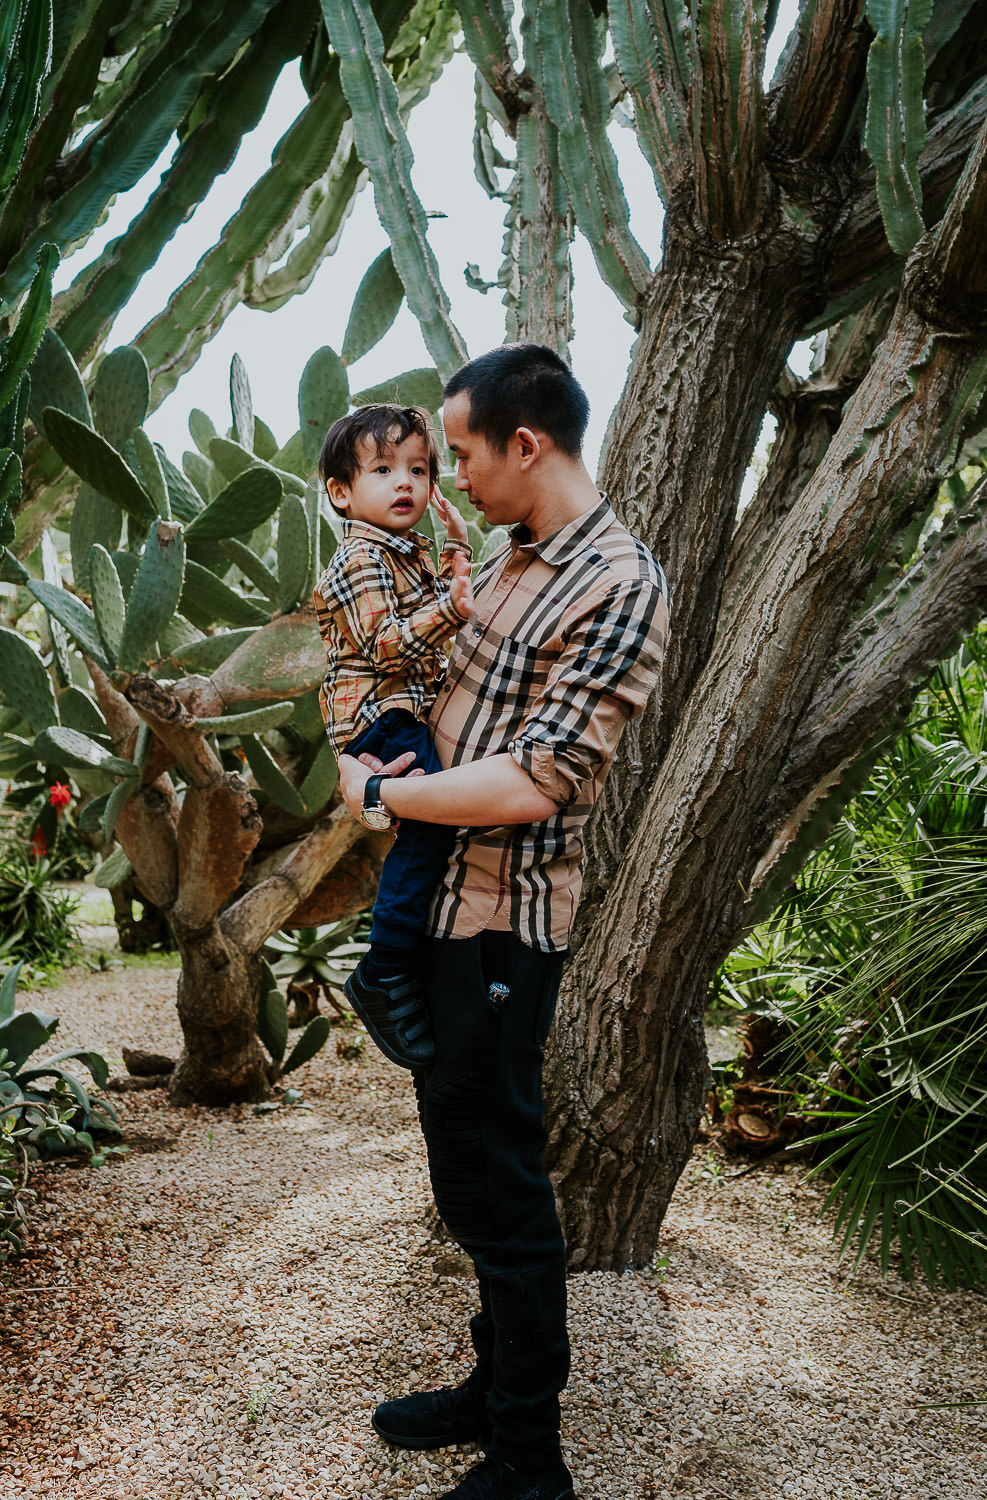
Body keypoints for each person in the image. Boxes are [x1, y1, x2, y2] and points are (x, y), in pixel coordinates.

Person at [338, 345, 671, 1500]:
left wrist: (381, 795)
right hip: (436, 909)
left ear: (524, 445)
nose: (450, 479)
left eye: (464, 454)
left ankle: (530, 1459)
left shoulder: (619, 582)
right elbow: (442, 702)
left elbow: (539, 779)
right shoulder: (507, 558)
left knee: (506, 1189)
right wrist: (370, 742)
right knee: (465, 1176)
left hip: (498, 929)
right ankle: (492, 1388)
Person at [313, 403, 475, 1069]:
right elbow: (386, 644)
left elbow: (438, 600)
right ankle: (382, 970)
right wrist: (454, 606)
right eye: (383, 470)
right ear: (342, 493)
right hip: (381, 710)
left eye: (419, 469)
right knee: (433, 823)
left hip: (399, 706)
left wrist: (457, 546)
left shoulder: (400, 553)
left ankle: (398, 959)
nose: (405, 482)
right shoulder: (358, 558)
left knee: (430, 826)